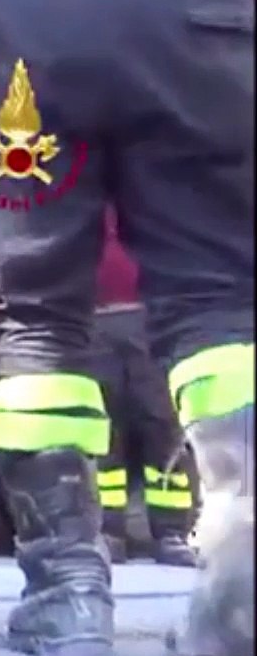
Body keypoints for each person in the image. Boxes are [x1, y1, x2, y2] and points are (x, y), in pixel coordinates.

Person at [0, 0, 253, 656]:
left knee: (37, 316)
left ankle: (68, 595)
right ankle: (245, 599)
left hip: (34, 19)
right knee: (223, 308)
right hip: (198, 14)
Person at [92, 219, 197, 568]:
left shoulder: (144, 201)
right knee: (104, 431)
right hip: (93, 320)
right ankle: (108, 533)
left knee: (162, 426)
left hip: (150, 319)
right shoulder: (83, 204)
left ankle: (171, 533)